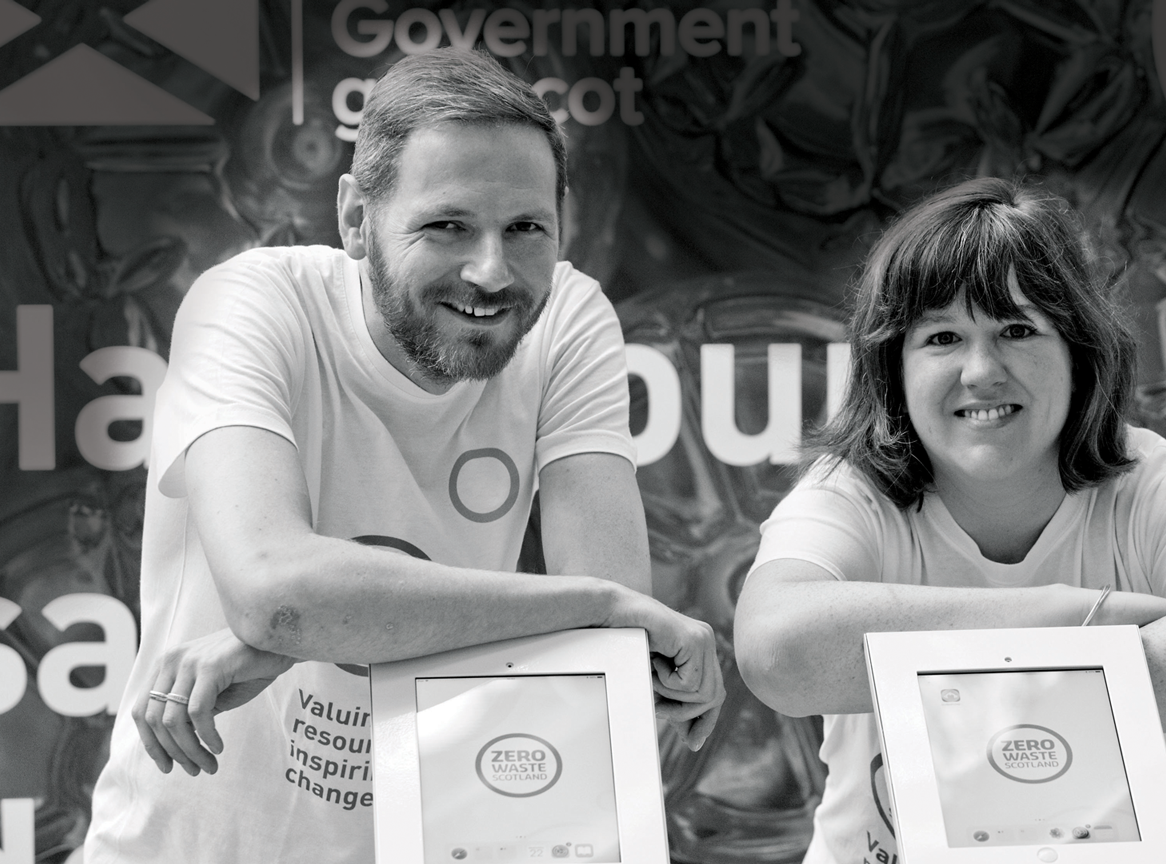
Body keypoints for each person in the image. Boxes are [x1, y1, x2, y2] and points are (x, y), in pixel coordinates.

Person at [82, 49, 723, 863]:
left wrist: (293, 634)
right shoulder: (250, 301)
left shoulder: (568, 317)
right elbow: (276, 588)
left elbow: (606, 647)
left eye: (525, 228)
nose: (492, 271)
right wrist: (585, 604)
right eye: (447, 225)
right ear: (355, 218)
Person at [732, 178, 1166, 864]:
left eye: (1017, 330)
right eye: (941, 337)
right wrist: (1087, 620)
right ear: (892, 370)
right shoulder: (853, 494)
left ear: (1078, 352)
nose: (980, 371)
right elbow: (778, 649)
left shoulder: (1149, 483)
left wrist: (955, 671)